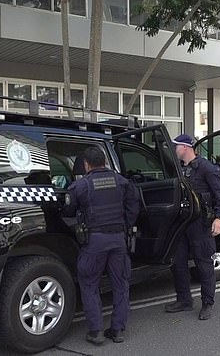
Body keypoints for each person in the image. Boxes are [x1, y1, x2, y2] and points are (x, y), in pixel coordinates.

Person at [62, 147, 141, 345]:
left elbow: (68, 212)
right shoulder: (122, 182)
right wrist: (126, 226)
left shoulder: (80, 186)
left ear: (86, 164)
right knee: (121, 284)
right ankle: (118, 330)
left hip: (94, 241)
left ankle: (96, 332)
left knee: (89, 284)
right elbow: (134, 207)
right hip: (118, 239)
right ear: (105, 161)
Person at [165, 134, 220, 321]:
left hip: (201, 223)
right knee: (178, 262)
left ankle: (207, 303)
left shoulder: (206, 168)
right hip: (181, 223)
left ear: (185, 147)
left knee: (204, 264)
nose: (174, 149)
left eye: (176, 146)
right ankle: (184, 300)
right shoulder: (179, 169)